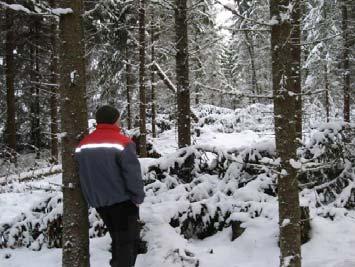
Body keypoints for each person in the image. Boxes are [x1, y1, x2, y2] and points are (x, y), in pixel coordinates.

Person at [75, 105, 145, 267]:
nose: (120, 121)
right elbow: (132, 174)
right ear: (114, 119)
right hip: (122, 201)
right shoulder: (122, 142)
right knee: (127, 245)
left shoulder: (83, 144)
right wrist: (137, 197)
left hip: (99, 202)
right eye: (119, 118)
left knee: (118, 241)